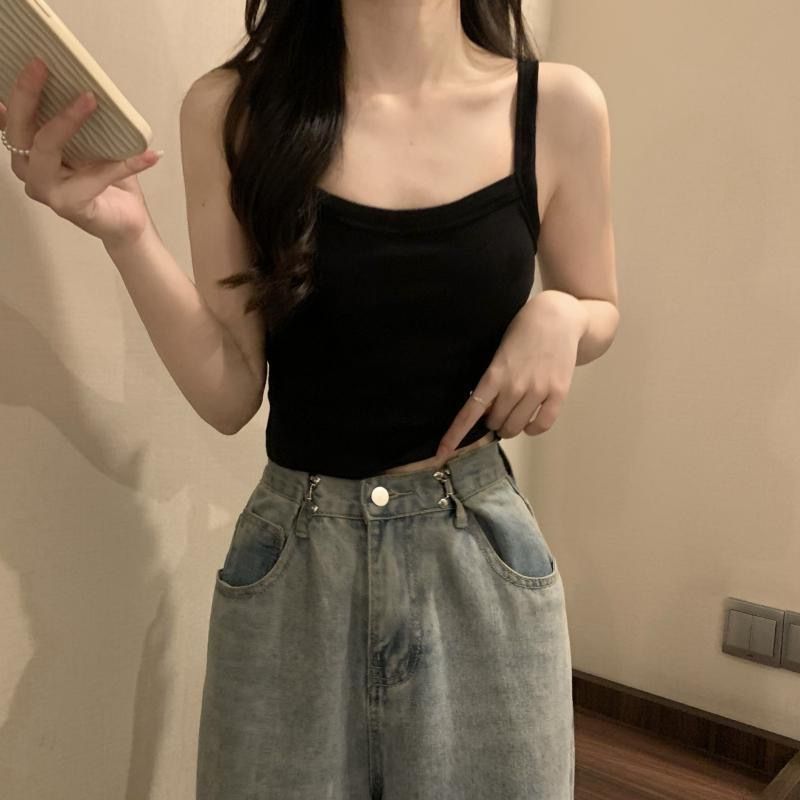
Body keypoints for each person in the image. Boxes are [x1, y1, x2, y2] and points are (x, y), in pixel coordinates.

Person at [1, 1, 618, 797]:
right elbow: (230, 392)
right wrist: (128, 234)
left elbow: (599, 305)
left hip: (480, 570)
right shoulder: (231, 112)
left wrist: (563, 313)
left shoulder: (557, 106)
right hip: (296, 572)